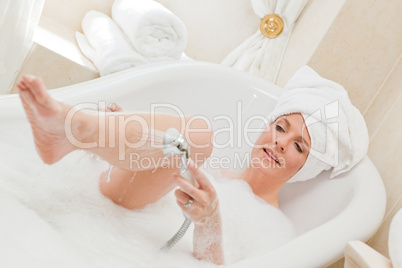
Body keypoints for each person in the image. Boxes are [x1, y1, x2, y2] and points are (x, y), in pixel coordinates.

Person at [16, 66, 368, 265]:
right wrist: (126, 139)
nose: (279, 142)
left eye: (298, 146)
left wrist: (209, 222)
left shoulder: (277, 230)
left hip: (122, 234)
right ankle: (85, 133)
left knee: (197, 137)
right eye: (280, 127)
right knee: (194, 138)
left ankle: (73, 129)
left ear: (305, 168)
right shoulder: (215, 171)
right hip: (100, 207)